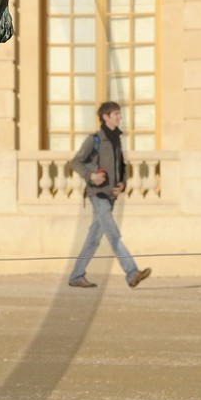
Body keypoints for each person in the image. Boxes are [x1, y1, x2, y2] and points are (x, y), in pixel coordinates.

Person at [66, 101, 152, 289]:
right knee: (113, 234)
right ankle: (132, 272)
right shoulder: (95, 139)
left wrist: (122, 184)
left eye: (119, 114)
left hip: (111, 195)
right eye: (116, 114)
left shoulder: (116, 139)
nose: (120, 117)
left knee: (94, 238)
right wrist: (91, 175)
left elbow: (119, 166)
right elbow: (75, 162)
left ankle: (76, 276)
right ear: (106, 117)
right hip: (98, 195)